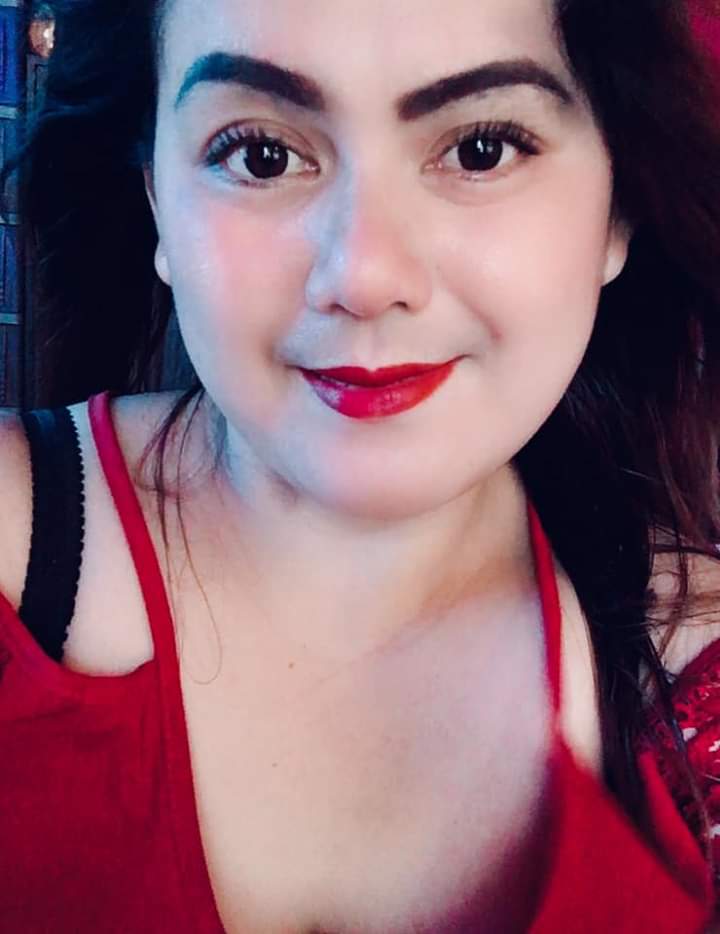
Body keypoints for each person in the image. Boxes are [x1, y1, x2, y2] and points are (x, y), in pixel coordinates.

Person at [1, 0, 720, 930]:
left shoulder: (695, 681)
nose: (365, 276)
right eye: (262, 155)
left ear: (618, 208)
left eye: (481, 150)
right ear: (156, 202)